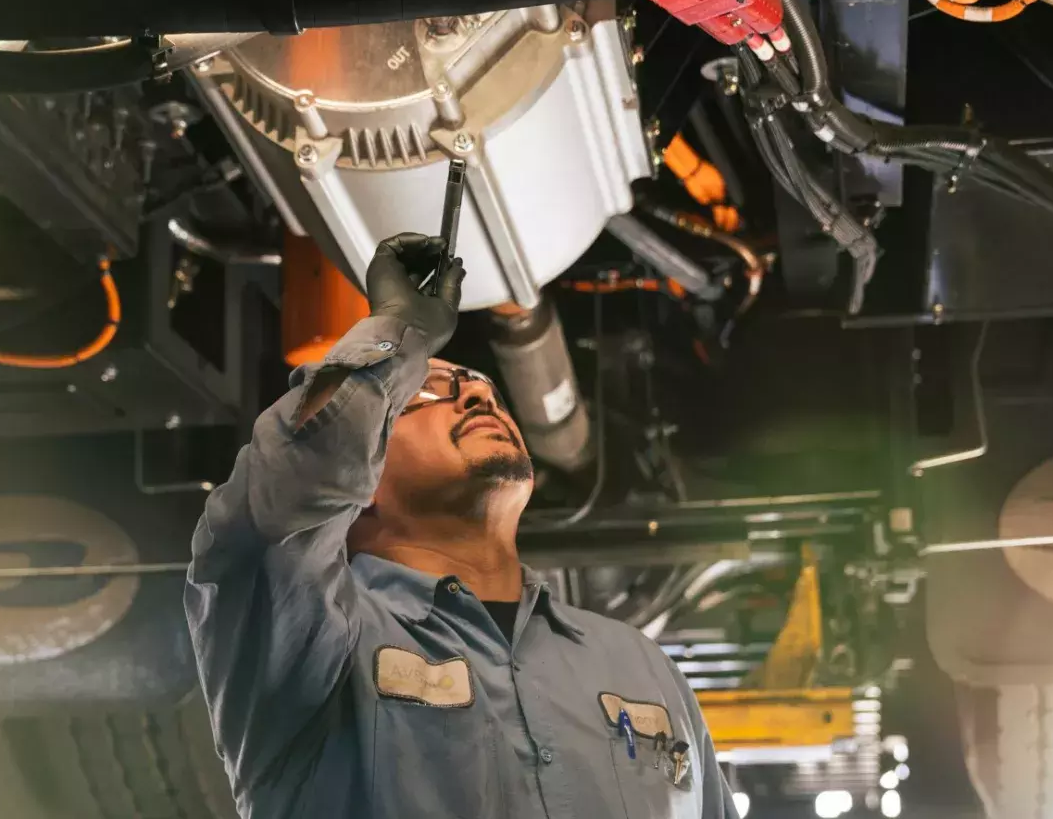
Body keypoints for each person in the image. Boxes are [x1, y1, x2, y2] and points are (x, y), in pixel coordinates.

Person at [184, 232, 737, 819]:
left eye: (489, 397)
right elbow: (282, 500)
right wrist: (399, 331)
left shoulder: (637, 662)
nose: (478, 400)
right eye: (429, 395)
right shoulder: (309, 646)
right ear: (361, 470)